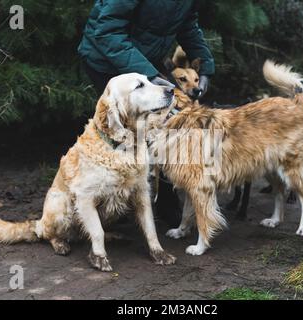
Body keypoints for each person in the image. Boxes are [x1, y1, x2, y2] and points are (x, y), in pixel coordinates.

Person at [78, 0, 215, 226]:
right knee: (120, 130)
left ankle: (165, 202)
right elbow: (107, 31)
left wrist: (207, 66)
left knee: (160, 126)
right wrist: (147, 74)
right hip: (104, 58)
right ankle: (111, 202)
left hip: (143, 59)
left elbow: (188, 26)